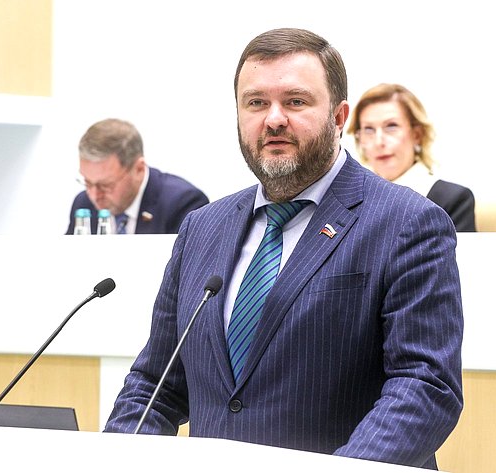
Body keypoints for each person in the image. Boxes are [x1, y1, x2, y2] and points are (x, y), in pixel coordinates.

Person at [104, 28, 463, 469]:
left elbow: (425, 387)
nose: (273, 119)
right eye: (256, 103)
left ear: (338, 117)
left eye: (295, 101)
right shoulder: (201, 228)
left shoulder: (409, 222)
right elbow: (156, 384)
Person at [348, 83, 476, 232]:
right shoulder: (348, 198)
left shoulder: (451, 199)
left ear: (417, 135)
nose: (378, 142)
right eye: (368, 129)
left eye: (391, 126)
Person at [65, 118, 209, 234]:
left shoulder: (183, 204)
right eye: (87, 182)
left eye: (106, 185)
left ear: (139, 169)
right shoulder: (83, 204)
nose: (95, 195)